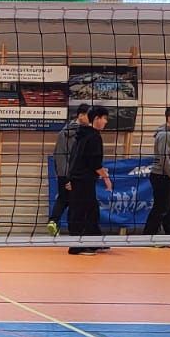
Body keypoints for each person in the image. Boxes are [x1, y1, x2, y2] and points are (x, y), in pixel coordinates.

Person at [67, 105, 113, 254]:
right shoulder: (93, 137)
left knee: (91, 211)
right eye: (104, 118)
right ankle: (76, 246)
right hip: (83, 180)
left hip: (80, 179)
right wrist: (106, 178)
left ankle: (93, 241)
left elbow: (75, 158)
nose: (106, 122)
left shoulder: (83, 134)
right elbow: (94, 163)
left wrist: (71, 178)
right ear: (97, 119)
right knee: (82, 212)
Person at [46, 103, 89, 237]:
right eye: (89, 115)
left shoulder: (62, 133)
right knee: (75, 202)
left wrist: (60, 173)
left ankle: (53, 221)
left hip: (62, 172)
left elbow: (57, 154)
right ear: (80, 116)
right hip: (74, 173)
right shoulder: (82, 134)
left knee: (63, 199)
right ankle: (74, 231)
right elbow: (79, 156)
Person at [144, 106, 170, 237]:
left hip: (166, 176)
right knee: (161, 208)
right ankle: (148, 236)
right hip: (161, 176)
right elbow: (164, 159)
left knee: (169, 208)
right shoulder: (165, 135)